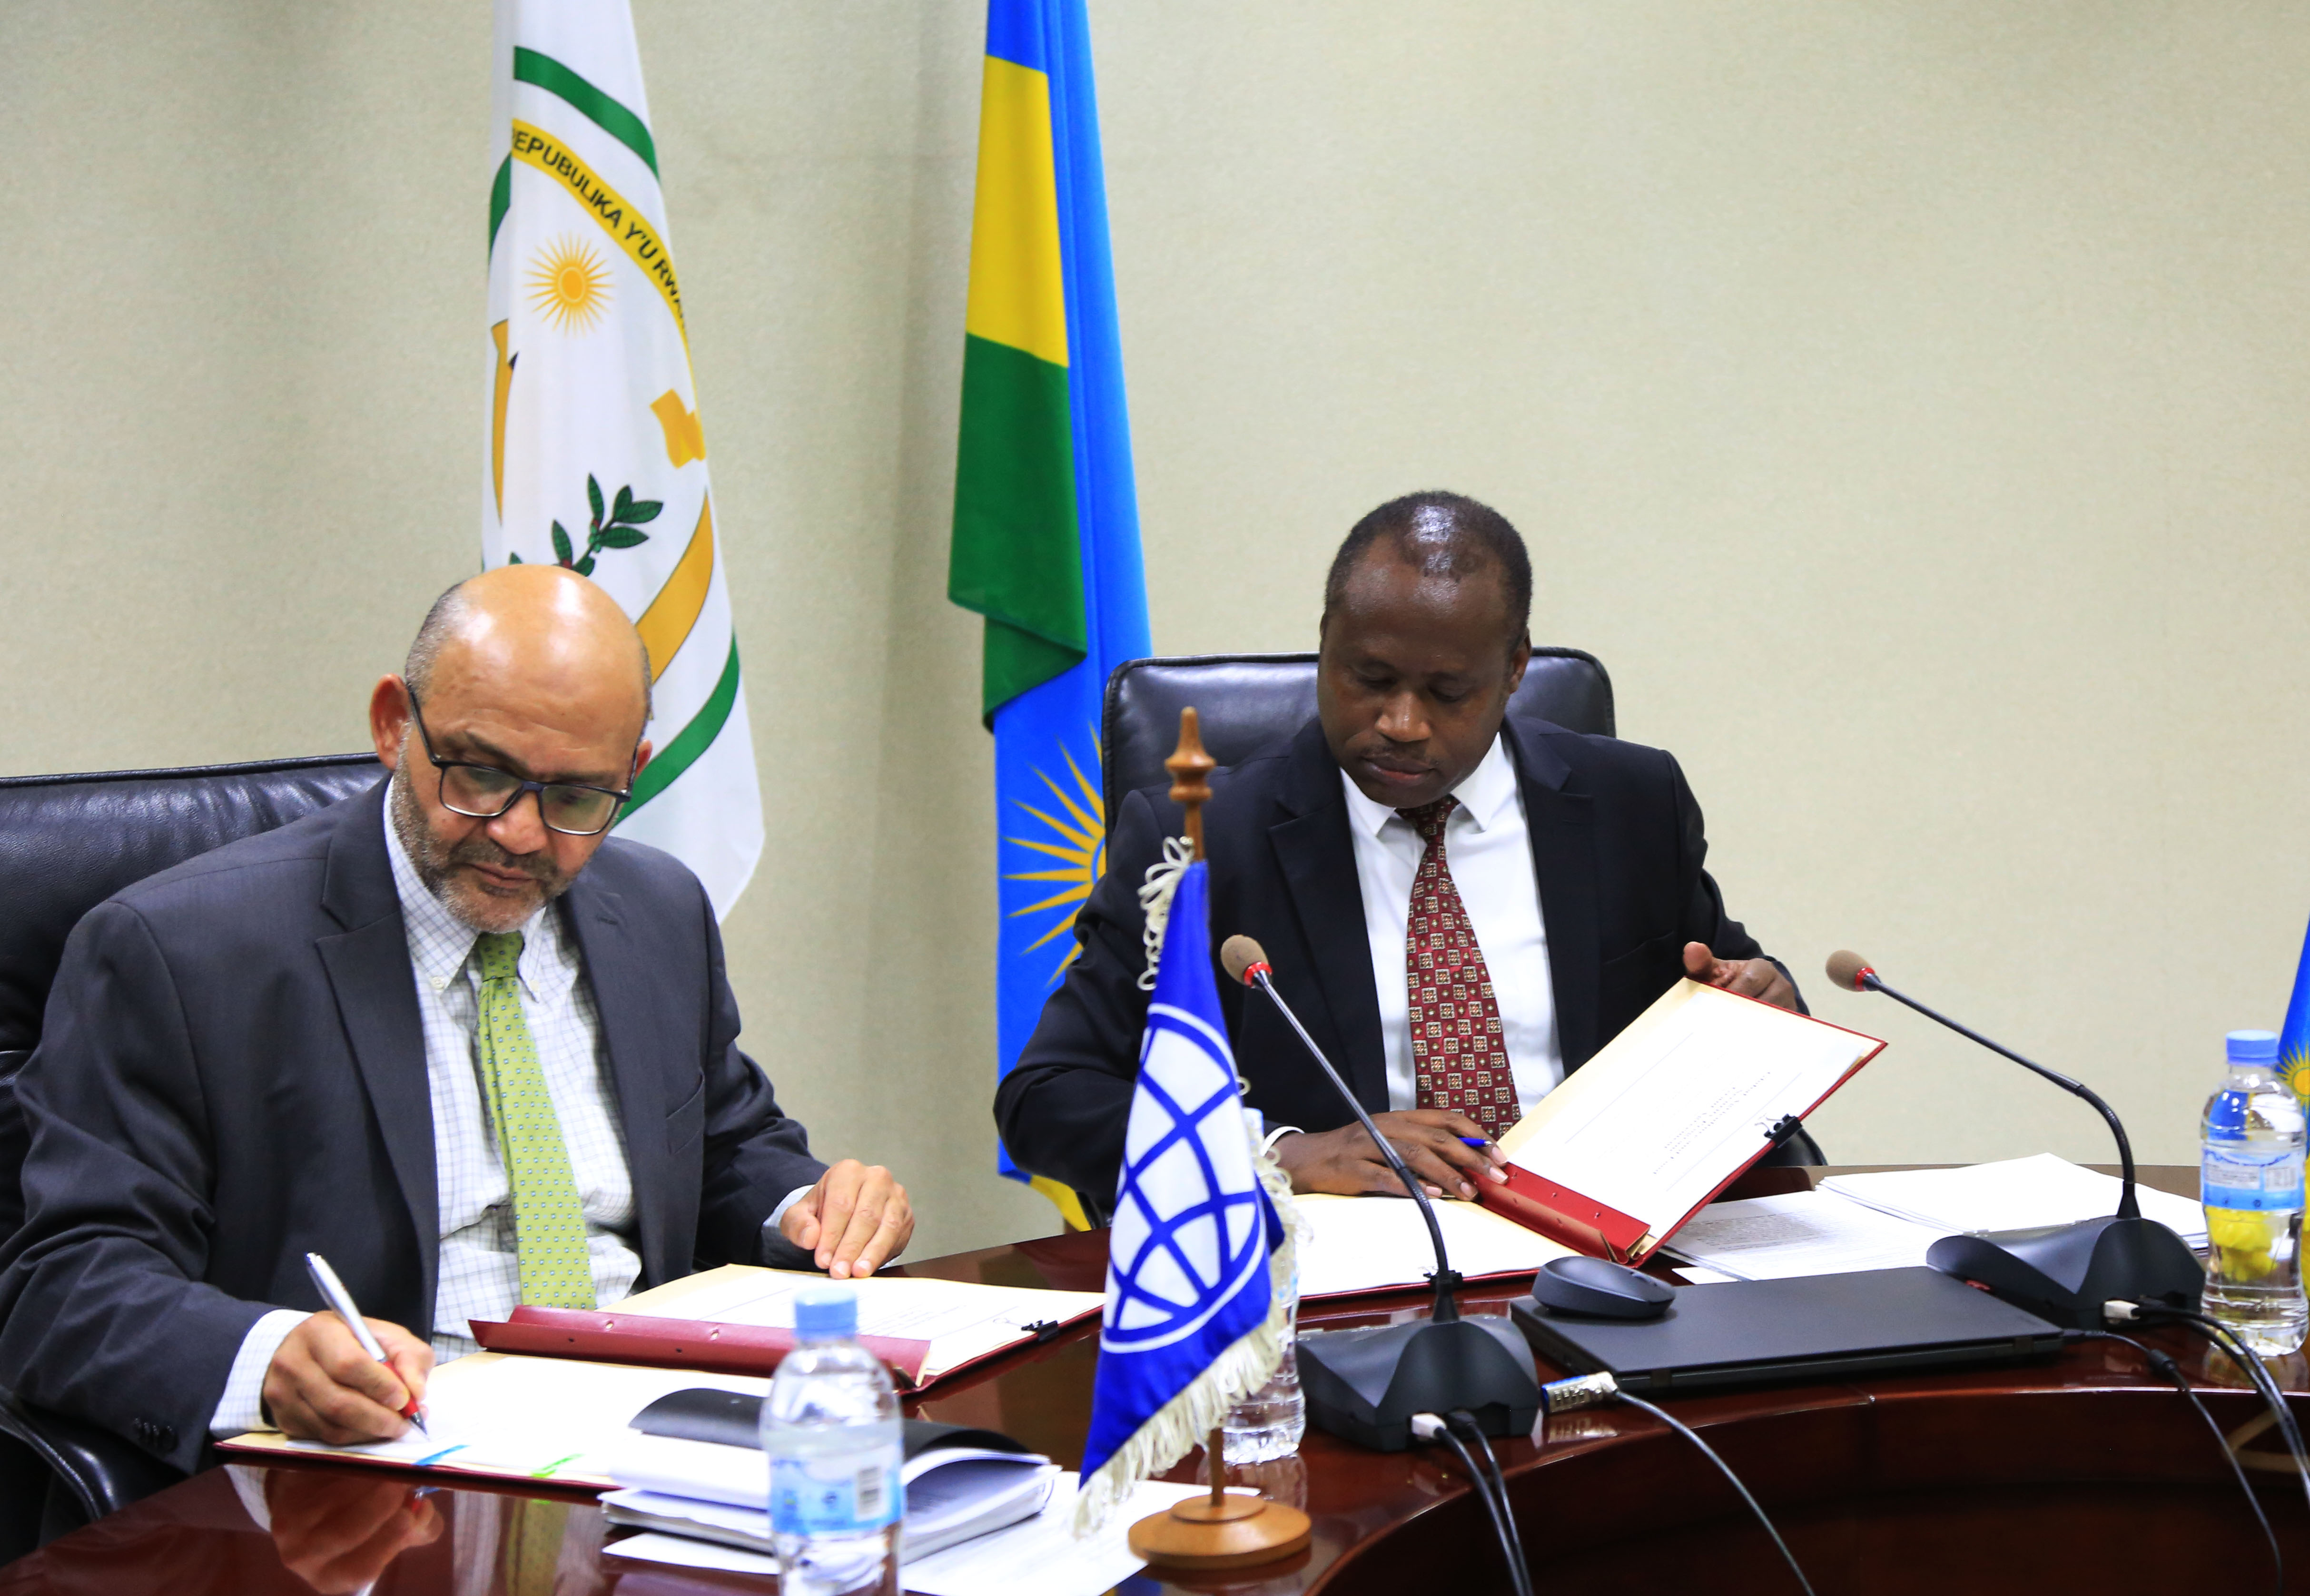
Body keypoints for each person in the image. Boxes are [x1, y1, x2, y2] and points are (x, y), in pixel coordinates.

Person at [0, 565, 912, 1475]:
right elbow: (67, 1284)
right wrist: (270, 1356)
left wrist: (809, 1205)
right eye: (481, 773)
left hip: (655, 1443)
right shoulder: (177, 951)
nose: (520, 833)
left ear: (631, 772)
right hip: (381, 1471)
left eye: (575, 797)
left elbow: (725, 1140)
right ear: (396, 724)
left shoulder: (660, 910)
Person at [996, 490, 1800, 1208]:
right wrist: (1287, 1154)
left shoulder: (1629, 802)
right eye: (1369, 678)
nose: (1402, 722)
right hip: (1355, 1286)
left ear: (1514, 668)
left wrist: (1763, 1003)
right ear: (1326, 644)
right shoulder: (1199, 838)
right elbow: (1050, 1097)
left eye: (1447, 692)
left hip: (1606, 1253)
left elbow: (1732, 991)